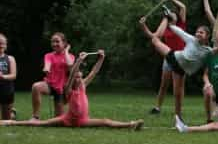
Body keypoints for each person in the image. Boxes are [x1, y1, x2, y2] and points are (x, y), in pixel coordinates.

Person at [1, 51, 144, 129]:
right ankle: (10, 122)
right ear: (73, 78)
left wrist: (101, 59)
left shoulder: (82, 86)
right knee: (40, 123)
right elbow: (71, 76)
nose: (80, 78)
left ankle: (131, 124)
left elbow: (93, 72)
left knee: (106, 121)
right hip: (68, 119)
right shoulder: (68, 89)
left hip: (82, 120)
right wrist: (78, 62)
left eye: (81, 77)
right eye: (77, 77)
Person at [147, 0, 187, 116]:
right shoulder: (166, 27)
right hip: (168, 58)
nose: (172, 14)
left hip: (181, 58)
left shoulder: (181, 25)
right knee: (163, 85)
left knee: (178, 88)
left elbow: (183, 7)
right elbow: (155, 36)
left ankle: (178, 110)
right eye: (170, 14)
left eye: (174, 13)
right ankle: (157, 107)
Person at [140, 16, 216, 77]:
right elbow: (179, 31)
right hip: (174, 58)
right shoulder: (191, 39)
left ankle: (166, 17)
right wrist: (167, 19)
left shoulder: (208, 50)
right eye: (197, 32)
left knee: (178, 95)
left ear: (207, 36)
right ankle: (165, 17)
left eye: (201, 33)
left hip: (182, 70)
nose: (198, 34)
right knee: (155, 40)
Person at [31, 32, 75, 119]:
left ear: (64, 43)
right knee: (36, 86)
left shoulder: (70, 56)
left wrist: (66, 51)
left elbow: (70, 65)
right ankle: (35, 117)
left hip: (63, 88)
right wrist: (46, 69)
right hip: (50, 84)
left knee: (58, 119)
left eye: (57, 41)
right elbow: (47, 65)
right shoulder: (48, 55)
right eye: (52, 42)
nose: (54, 44)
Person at [0, 33, 17, 119]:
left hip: (6, 89)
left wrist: (3, 77)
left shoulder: (10, 58)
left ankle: (12, 113)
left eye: (3, 43)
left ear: (6, 46)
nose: (1, 45)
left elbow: (13, 75)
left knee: (6, 119)